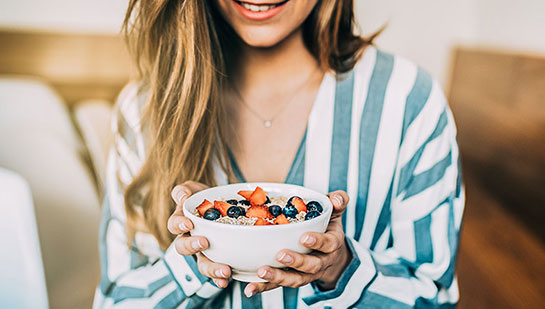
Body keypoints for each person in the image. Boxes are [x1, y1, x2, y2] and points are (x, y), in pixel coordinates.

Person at [94, 0, 464, 308]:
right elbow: (117, 300)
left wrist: (341, 270)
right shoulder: (145, 110)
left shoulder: (408, 101)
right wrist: (189, 263)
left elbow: (435, 297)